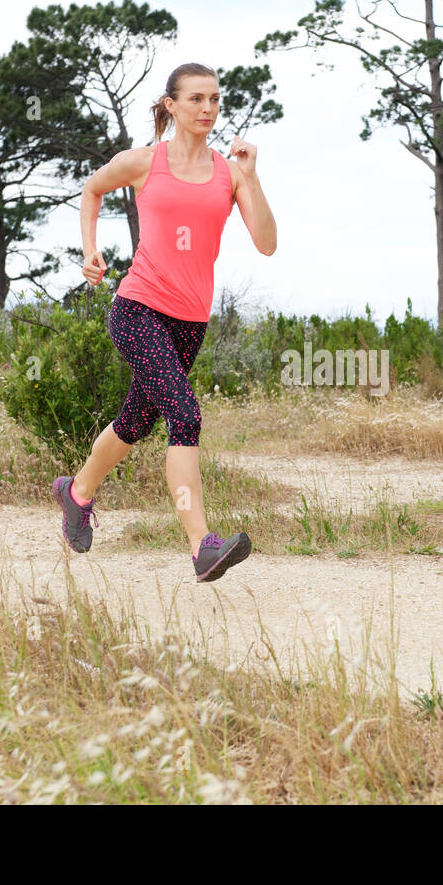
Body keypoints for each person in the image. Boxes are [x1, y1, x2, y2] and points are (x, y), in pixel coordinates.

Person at [52, 62, 277, 583]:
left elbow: (266, 243)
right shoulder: (143, 162)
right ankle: (202, 545)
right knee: (185, 412)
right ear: (171, 105)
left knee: (135, 422)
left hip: (189, 322)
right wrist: (90, 253)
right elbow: (91, 189)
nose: (208, 109)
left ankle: (77, 492)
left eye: (215, 100)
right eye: (196, 99)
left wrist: (253, 177)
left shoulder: (230, 173)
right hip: (137, 308)